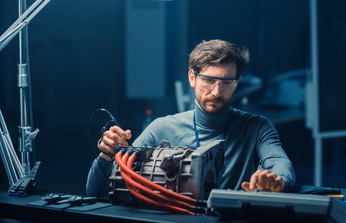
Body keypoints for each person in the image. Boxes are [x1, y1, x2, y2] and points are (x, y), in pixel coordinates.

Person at [86, 39, 296, 198]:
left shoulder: (257, 127)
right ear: (192, 78)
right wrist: (107, 156)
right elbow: (96, 192)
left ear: (237, 83)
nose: (216, 91)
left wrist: (276, 181)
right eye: (208, 80)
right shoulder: (161, 129)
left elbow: (279, 163)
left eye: (227, 82)